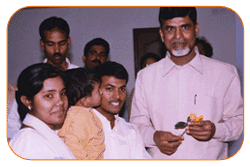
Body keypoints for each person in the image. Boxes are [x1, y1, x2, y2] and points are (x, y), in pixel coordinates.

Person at [130, 7, 243, 159]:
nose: (178, 36)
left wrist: (216, 130)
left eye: (185, 27)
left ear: (196, 30)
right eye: (170, 29)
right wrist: (154, 137)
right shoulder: (146, 77)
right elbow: (136, 125)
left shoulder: (225, 73)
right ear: (162, 35)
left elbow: (238, 123)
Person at [8, 16, 79, 141]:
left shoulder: (81, 76)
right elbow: (12, 127)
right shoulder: (32, 78)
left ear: (68, 42)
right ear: (42, 44)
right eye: (50, 44)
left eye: (61, 44)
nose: (57, 50)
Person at [9, 63, 75, 159]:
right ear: (27, 101)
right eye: (48, 96)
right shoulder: (29, 145)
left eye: (63, 93)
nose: (60, 102)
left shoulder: (46, 134)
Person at [92, 61, 151, 159]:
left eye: (122, 89)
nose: (117, 96)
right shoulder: (82, 126)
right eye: (109, 89)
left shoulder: (130, 131)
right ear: (95, 89)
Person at [58, 68, 105, 159]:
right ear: (85, 100)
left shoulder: (86, 112)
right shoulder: (79, 116)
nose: (102, 92)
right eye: (98, 89)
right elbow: (72, 144)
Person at [127, 53, 161, 119]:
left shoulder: (165, 87)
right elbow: (134, 118)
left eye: (153, 66)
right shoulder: (136, 91)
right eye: (146, 66)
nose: (149, 69)